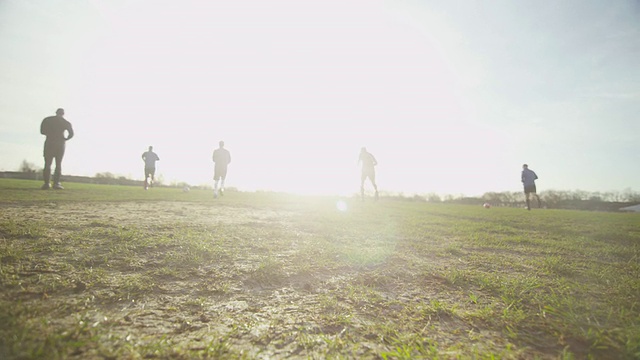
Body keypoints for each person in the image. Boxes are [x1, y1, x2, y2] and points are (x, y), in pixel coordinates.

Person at [40, 108, 74, 189]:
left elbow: (42, 131)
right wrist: (65, 138)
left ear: (56, 112)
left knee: (47, 163)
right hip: (60, 143)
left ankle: (47, 183)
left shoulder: (47, 120)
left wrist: (50, 133)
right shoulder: (66, 122)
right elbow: (71, 134)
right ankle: (56, 183)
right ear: (63, 114)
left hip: (49, 142)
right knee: (58, 164)